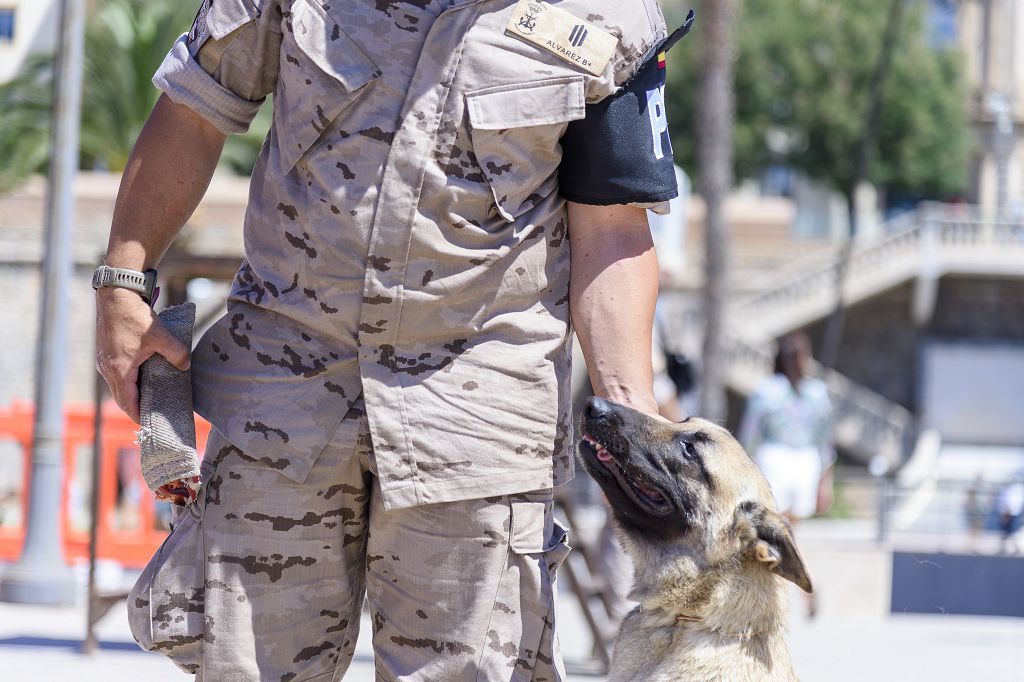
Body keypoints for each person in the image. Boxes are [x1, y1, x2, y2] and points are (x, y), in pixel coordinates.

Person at [93, 0, 694, 679]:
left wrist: (631, 413)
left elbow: (612, 224)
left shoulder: (609, 14)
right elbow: (194, 111)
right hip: (285, 398)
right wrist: (122, 281)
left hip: (478, 421)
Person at [739, 331, 833, 616]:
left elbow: (750, 435)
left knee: (773, 532)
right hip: (807, 463)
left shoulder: (767, 390)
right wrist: (825, 481)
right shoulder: (818, 392)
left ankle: (790, 589)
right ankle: (803, 586)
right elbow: (825, 442)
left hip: (774, 461)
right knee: (788, 530)